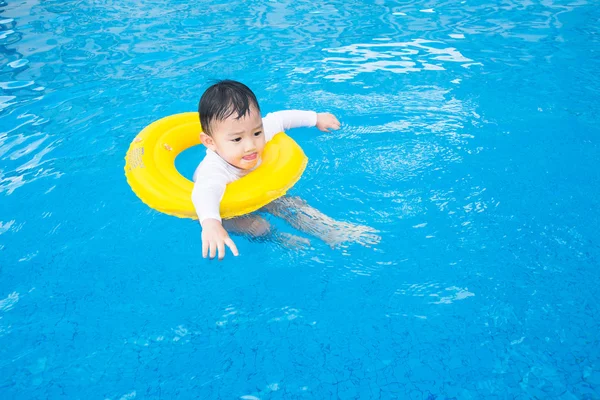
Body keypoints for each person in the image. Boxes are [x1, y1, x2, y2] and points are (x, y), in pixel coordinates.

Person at [192, 80, 379, 260]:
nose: (251, 145)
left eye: (257, 133)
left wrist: (316, 118)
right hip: (226, 209)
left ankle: (332, 230)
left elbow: (281, 119)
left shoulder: (252, 134)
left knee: (292, 205)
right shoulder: (213, 169)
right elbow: (205, 192)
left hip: (258, 191)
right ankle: (279, 240)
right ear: (210, 142)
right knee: (259, 227)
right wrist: (210, 223)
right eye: (237, 140)